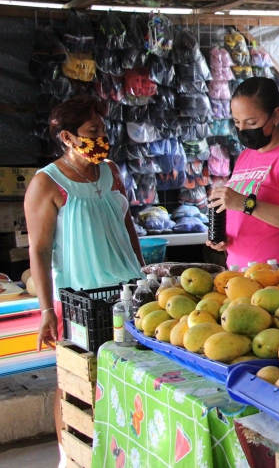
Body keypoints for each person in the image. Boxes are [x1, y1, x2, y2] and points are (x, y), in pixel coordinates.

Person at [24, 95, 144, 466]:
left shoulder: (111, 172)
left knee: (127, 382)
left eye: (104, 129)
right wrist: (46, 310)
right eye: (93, 131)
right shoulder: (47, 183)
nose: (102, 137)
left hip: (125, 296)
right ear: (67, 137)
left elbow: (128, 229)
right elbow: (39, 252)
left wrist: (143, 279)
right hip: (79, 301)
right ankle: (71, 458)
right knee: (77, 385)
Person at [207, 77, 279, 265]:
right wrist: (225, 239)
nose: (243, 130)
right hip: (241, 275)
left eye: (251, 123)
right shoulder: (246, 156)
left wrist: (245, 204)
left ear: (276, 115)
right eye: (237, 123)